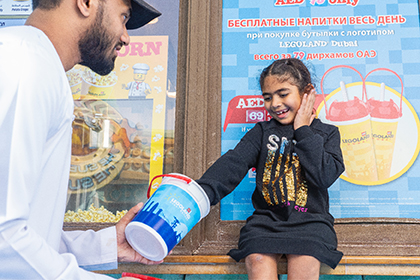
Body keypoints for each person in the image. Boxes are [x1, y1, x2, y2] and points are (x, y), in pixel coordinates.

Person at [0, 0, 162, 279]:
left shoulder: (36, 64)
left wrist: (106, 246)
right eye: (123, 17)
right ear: (85, 3)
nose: (125, 37)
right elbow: (5, 238)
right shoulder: (24, 64)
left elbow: (28, 234)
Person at [196, 58, 345, 280]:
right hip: (267, 222)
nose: (275, 103)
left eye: (283, 94)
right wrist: (200, 193)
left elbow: (324, 175)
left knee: (305, 261)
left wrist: (303, 129)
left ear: (307, 93)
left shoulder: (327, 133)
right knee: (257, 259)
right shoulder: (262, 132)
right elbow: (233, 163)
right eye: (268, 97)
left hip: (311, 223)